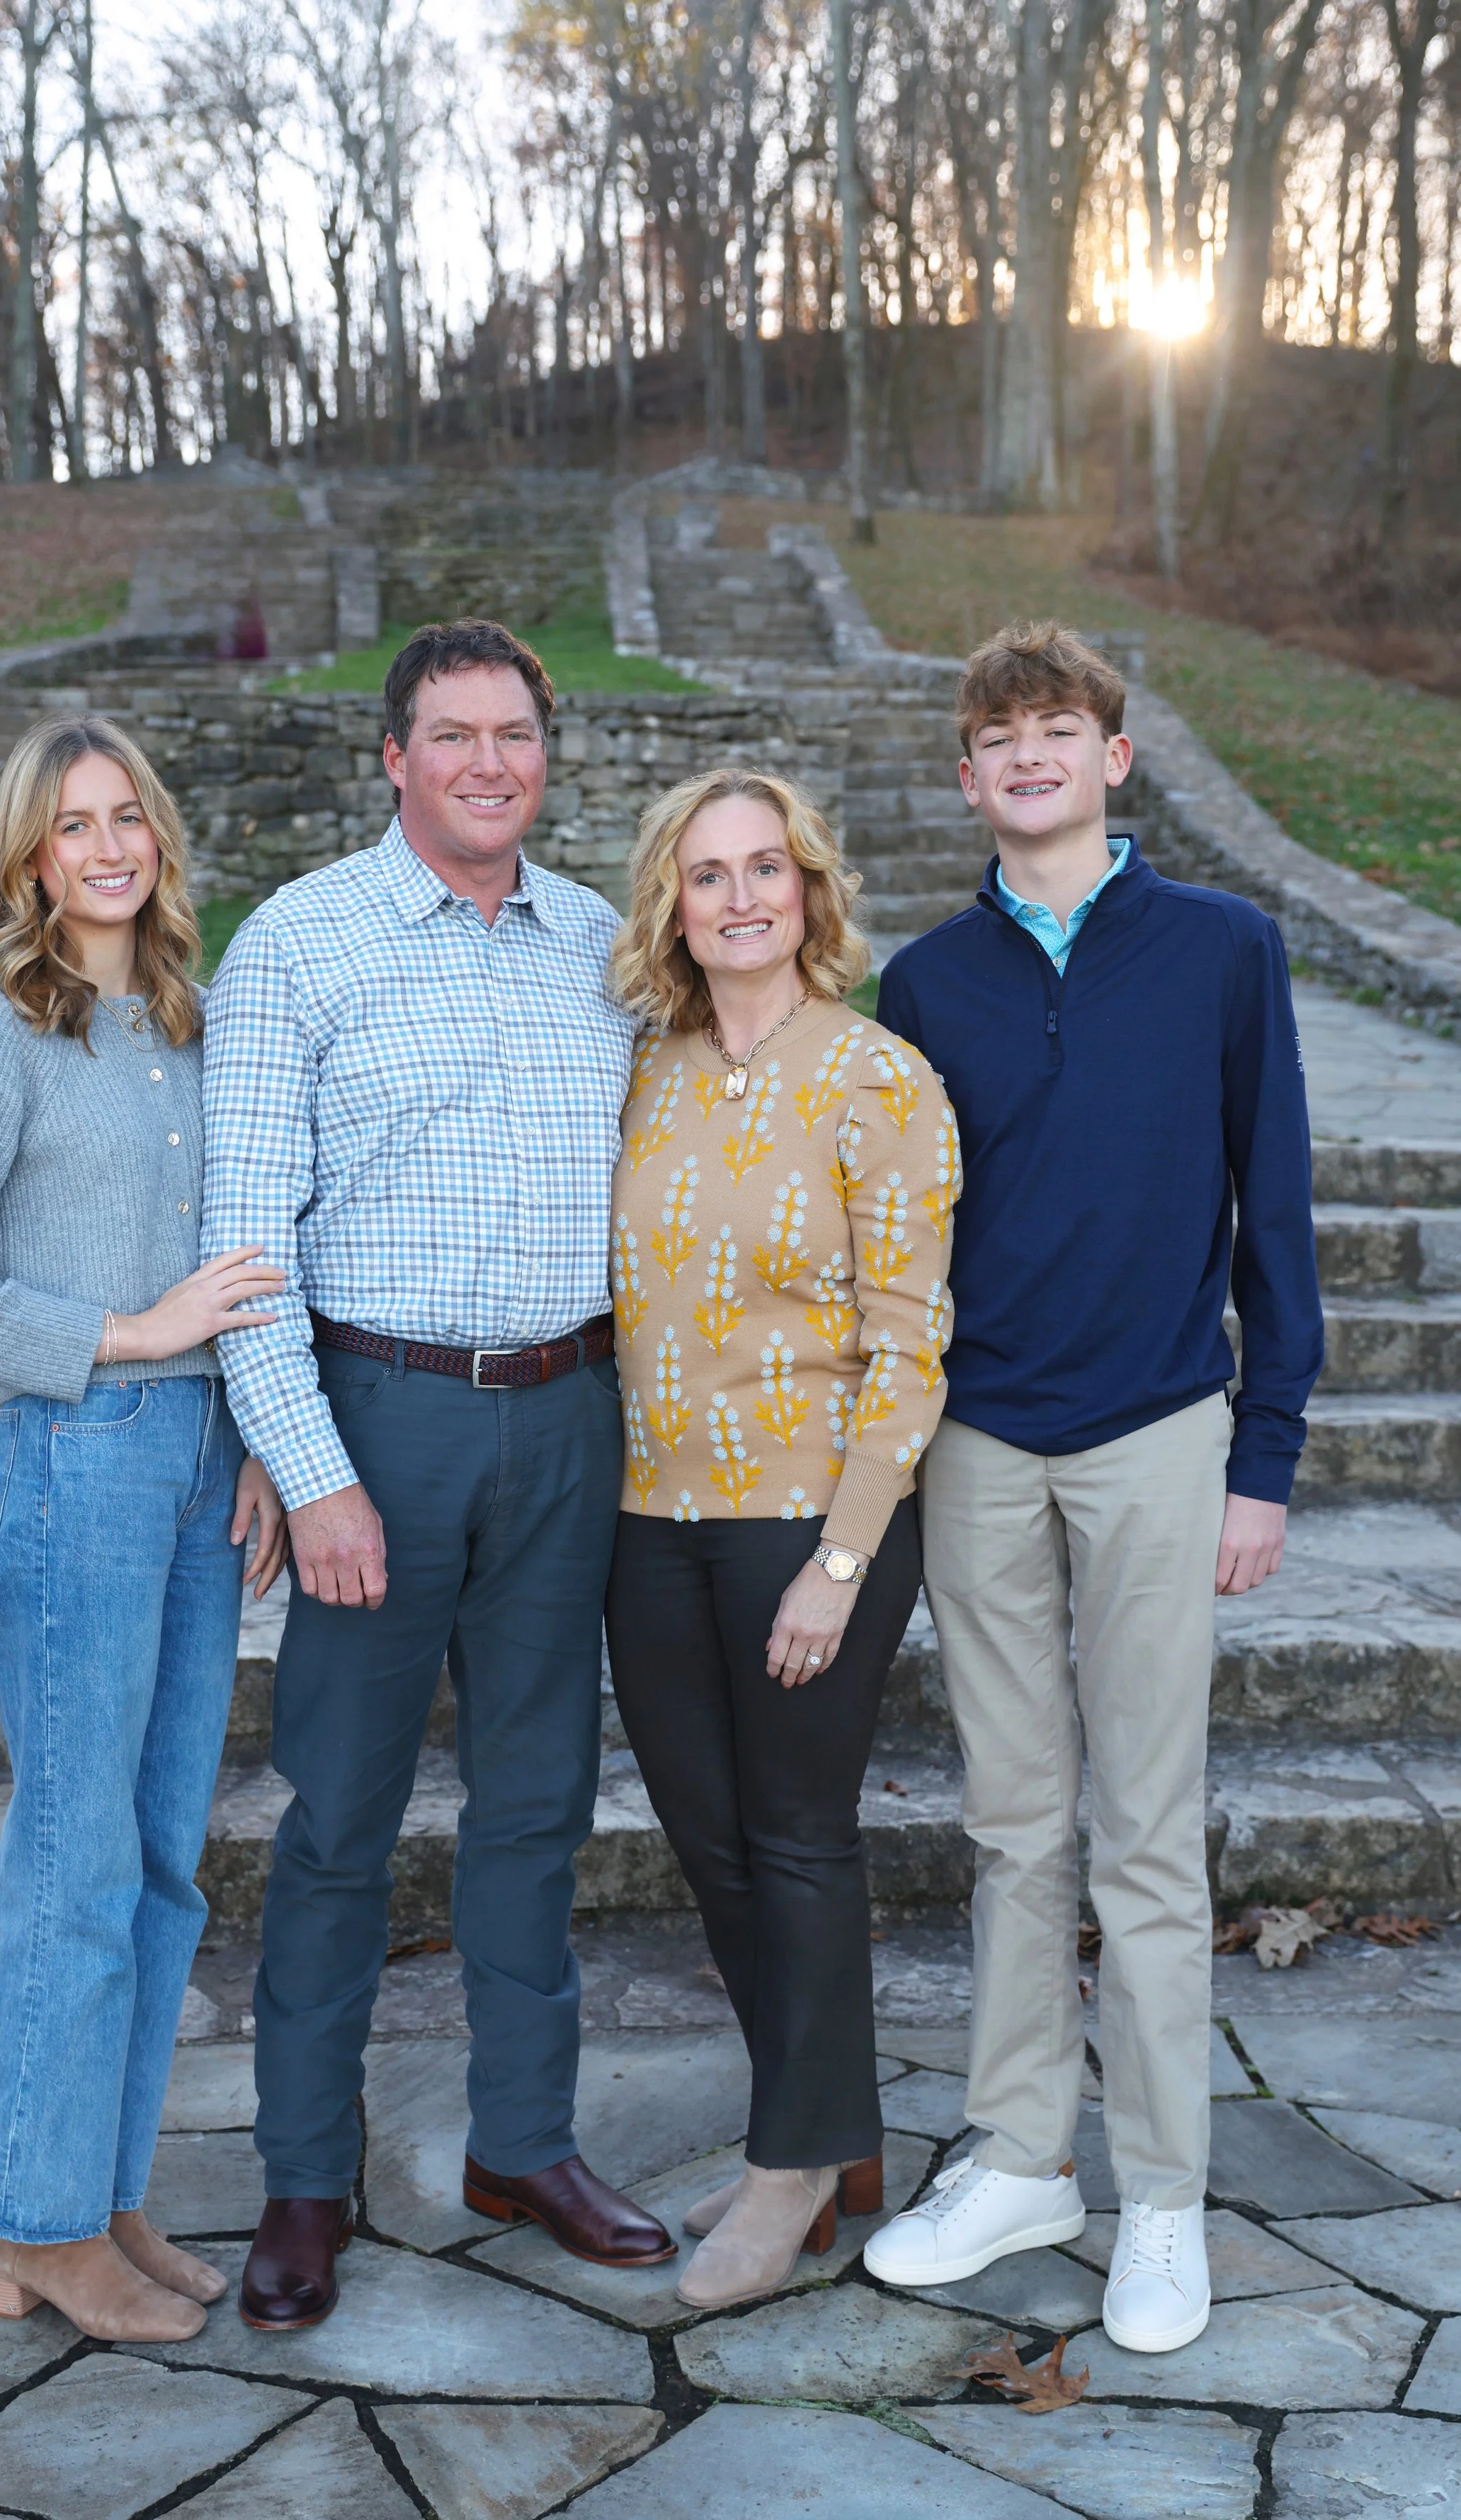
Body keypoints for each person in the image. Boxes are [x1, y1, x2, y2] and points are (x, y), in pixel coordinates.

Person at [202, 617, 677, 2334]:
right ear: (391, 758)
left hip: (566, 1419)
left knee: (538, 1809)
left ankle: (521, 2144)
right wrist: (307, 1467)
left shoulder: (606, 952)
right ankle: (304, 2179)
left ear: (548, 759)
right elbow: (244, 1246)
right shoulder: (300, 946)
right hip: (376, 1423)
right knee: (339, 1825)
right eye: (451, 736)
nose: (488, 763)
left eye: (515, 736)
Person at [865, 623, 1323, 2353]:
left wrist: (1259, 1458)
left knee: (1141, 1837)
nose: (1030, 757)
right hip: (978, 1441)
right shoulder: (921, 986)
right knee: (1008, 1825)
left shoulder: (1222, 951)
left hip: (1153, 1434)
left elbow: (1268, 1212)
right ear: (967, 779)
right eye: (998, 738)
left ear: (1111, 757)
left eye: (1059, 729)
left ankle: (1159, 2198)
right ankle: (1016, 2157)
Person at [0, 715, 288, 2345]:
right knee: (74, 1852)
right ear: (30, 857)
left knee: (162, 1854)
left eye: (128, 819)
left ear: (158, 840)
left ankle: (82, 2196)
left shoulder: (193, 1025)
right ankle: (33, 2221)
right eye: (71, 826)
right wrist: (127, 1332)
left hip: (191, 1472)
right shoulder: (0, 1036)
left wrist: (245, 1432)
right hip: (78, 1462)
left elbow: (239, 1267)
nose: (106, 848)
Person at [603, 767, 958, 2310]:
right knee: (712, 1844)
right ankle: (820, 2123)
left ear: (809, 891)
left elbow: (910, 1336)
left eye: (767, 868)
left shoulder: (879, 1078)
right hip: (646, 1515)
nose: (739, 897)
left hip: (813, 1517)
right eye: (707, 875)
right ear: (670, 908)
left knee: (797, 1836)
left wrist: (841, 1559)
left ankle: (792, 2164)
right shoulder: (645, 1073)